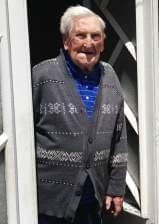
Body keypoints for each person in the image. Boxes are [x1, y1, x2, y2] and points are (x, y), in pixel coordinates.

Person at [32, 5, 128, 224]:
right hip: (50, 203)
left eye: (95, 36)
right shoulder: (42, 75)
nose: (88, 43)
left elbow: (119, 136)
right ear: (66, 42)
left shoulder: (110, 76)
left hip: (94, 199)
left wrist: (116, 187)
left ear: (103, 43)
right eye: (80, 35)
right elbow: (19, 134)